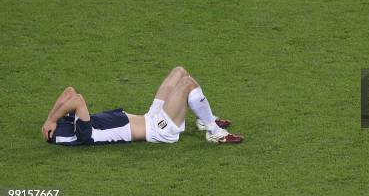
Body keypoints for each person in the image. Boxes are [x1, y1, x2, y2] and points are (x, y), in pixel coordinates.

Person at [41, 67, 243, 145]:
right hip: (159, 129)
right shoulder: (84, 133)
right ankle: (214, 132)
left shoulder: (68, 126)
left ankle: (205, 119)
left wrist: (49, 120)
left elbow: (69, 92)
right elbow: (77, 99)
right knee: (187, 84)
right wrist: (51, 119)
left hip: (150, 117)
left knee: (179, 72)